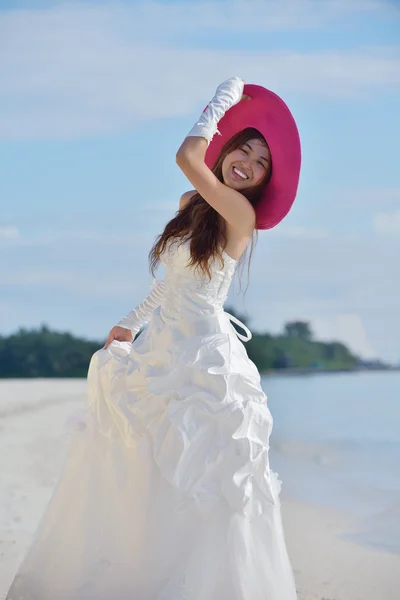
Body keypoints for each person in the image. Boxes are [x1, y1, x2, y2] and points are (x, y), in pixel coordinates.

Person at [6, 77, 301, 600]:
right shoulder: (195, 202)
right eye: (245, 150)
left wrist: (224, 97)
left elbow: (189, 154)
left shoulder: (241, 215)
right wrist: (131, 321)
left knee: (208, 483)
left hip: (206, 362)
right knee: (146, 471)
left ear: (261, 183)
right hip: (160, 350)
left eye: (260, 165)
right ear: (229, 148)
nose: (248, 165)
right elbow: (172, 280)